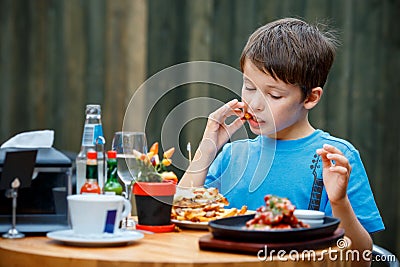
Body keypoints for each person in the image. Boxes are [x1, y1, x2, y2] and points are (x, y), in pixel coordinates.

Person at [179, 18, 384, 266]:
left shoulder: (336, 159)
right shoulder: (231, 155)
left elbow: (360, 259)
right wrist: (206, 149)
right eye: (248, 87)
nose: (254, 104)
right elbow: (179, 220)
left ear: (310, 97)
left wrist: (339, 202)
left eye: (274, 95)